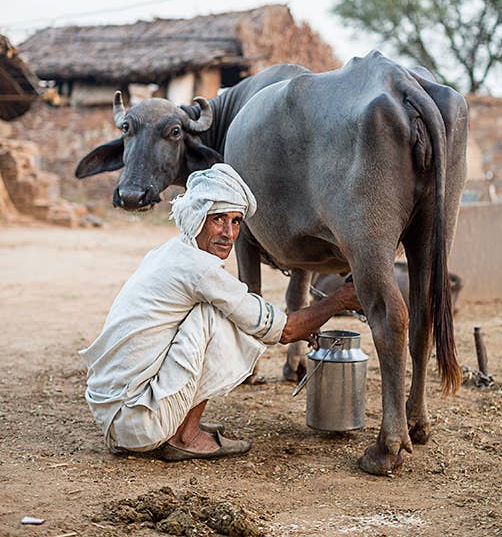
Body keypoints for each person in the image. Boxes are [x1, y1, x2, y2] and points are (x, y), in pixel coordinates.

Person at [80, 163, 360, 462]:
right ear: (197, 218)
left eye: (237, 221)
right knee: (219, 315)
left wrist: (307, 319)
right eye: (218, 220)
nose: (229, 233)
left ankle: (182, 423)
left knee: (228, 309)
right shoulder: (199, 271)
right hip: (136, 423)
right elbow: (285, 331)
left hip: (113, 412)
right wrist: (342, 298)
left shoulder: (168, 252)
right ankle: (184, 437)